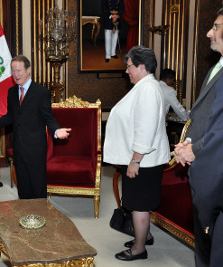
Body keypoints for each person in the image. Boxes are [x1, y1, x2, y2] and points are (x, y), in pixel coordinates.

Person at [103, 46, 170, 261]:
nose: (126, 71)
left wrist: (135, 160)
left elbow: (146, 128)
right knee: (137, 203)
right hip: (143, 159)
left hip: (144, 161)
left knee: (139, 206)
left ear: (141, 66)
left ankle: (139, 249)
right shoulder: (145, 86)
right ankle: (145, 236)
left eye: (129, 66)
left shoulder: (148, 89)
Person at [0, 55, 71, 199]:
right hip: (19, 148)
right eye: (13, 71)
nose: (16, 75)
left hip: (36, 148)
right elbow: (10, 117)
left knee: (37, 187)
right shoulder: (12, 92)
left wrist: (56, 130)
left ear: (28, 70)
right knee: (23, 188)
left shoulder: (41, 92)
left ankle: (40, 217)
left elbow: (48, 117)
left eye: (19, 71)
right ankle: (26, 217)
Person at [172, 8, 223, 266]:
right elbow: (205, 114)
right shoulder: (217, 66)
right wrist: (189, 141)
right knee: (205, 245)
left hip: (216, 170)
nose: (208, 33)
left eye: (215, 27)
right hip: (206, 164)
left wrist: (195, 149)